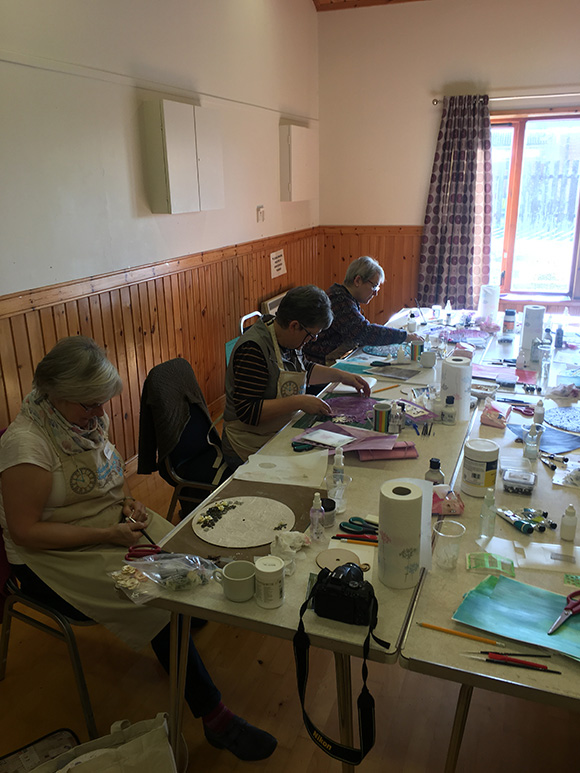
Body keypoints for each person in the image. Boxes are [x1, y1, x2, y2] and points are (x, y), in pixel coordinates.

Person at [0, 336, 276, 762]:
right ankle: (215, 717)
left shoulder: (82, 421)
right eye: (90, 404)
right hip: (51, 556)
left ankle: (182, 624)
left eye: (102, 403)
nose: (99, 413)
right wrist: (108, 534)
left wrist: (127, 502)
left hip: (105, 526)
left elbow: (107, 477)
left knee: (190, 549)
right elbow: (25, 533)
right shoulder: (27, 445)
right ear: (56, 393)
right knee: (156, 596)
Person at [222, 285, 370, 468]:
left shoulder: (284, 337)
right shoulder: (253, 349)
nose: (312, 340)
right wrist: (299, 402)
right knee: (316, 468)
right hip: (248, 442)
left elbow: (302, 368)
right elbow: (248, 411)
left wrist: (341, 376)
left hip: (277, 429)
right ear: (294, 325)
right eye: (311, 335)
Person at [303, 256, 424, 365]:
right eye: (374, 286)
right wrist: (404, 336)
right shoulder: (338, 300)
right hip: (318, 364)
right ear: (357, 281)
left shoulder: (346, 297)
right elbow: (364, 332)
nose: (376, 293)